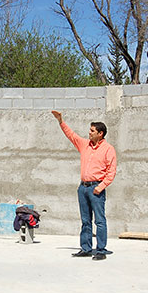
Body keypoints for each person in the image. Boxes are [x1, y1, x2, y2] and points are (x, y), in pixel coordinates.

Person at [51, 110, 117, 261]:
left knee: (99, 221)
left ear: (100, 133)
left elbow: (111, 172)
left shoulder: (108, 149)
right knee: (85, 220)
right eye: (90, 130)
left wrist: (100, 187)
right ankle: (86, 248)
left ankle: (101, 250)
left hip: (96, 189)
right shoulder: (84, 145)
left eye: (92, 131)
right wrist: (61, 121)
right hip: (82, 188)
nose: (89, 133)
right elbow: (71, 135)